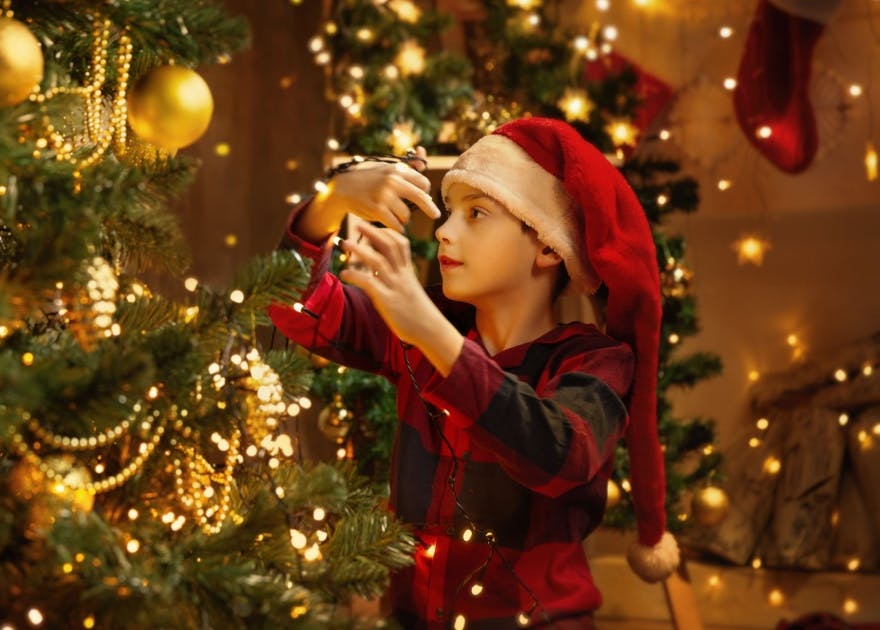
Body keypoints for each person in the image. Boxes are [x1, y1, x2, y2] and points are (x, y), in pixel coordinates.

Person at [268, 117, 680, 629]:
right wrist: (331, 202)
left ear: (549, 246)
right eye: (448, 213)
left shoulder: (593, 361)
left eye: (476, 213)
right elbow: (292, 307)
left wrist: (429, 333)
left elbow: (560, 454)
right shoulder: (424, 327)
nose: (443, 230)